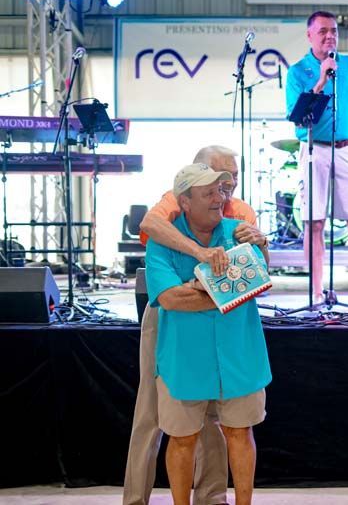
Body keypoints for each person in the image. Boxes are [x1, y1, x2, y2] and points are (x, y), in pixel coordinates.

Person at [123, 145, 268, 505]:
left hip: (236, 353)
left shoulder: (239, 222)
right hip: (182, 354)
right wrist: (227, 292)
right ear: (184, 201)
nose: (223, 193)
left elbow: (259, 278)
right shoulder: (166, 218)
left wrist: (201, 289)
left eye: (227, 185)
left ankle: (218, 499)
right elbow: (169, 298)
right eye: (215, 188)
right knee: (170, 428)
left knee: (237, 431)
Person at [286, 10, 348, 306]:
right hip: (315, 149)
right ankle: (314, 293)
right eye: (323, 31)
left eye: (334, 31)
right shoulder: (298, 71)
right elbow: (299, 120)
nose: (330, 36)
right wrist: (322, 80)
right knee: (314, 224)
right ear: (310, 35)